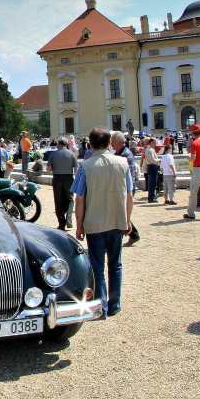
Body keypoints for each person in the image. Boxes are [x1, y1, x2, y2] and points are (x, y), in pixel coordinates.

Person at [73, 127, 132, 317]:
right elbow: (129, 195)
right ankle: (115, 304)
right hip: (117, 220)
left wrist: (79, 224)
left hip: (94, 222)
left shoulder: (86, 166)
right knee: (115, 264)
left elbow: (79, 198)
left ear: (90, 144)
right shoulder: (122, 162)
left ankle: (101, 306)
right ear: (109, 143)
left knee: (97, 266)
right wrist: (128, 219)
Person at [111, 131, 140, 246]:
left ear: (119, 142)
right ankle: (132, 234)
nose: (111, 145)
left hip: (127, 188)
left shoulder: (124, 155)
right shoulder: (120, 153)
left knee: (121, 213)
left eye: (113, 142)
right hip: (125, 187)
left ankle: (132, 234)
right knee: (120, 213)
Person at [46, 137, 77, 230]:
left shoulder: (53, 154)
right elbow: (76, 170)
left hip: (57, 179)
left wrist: (54, 169)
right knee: (70, 199)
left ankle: (61, 224)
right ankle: (69, 218)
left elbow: (48, 169)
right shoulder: (72, 154)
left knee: (58, 201)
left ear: (59, 144)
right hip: (69, 178)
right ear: (66, 144)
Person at [142, 138, 161, 204]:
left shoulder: (150, 149)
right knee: (152, 183)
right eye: (155, 142)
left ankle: (151, 197)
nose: (156, 144)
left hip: (151, 167)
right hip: (152, 167)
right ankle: (151, 198)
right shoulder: (150, 150)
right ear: (151, 142)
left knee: (152, 183)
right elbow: (152, 160)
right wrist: (159, 160)